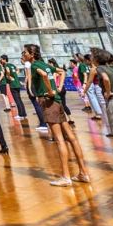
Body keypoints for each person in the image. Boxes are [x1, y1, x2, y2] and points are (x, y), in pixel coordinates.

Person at [22, 43, 90, 187]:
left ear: (31, 55)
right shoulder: (45, 64)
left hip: (48, 101)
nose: (23, 55)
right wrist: (58, 87)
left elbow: (44, 75)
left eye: (25, 53)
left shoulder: (34, 66)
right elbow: (61, 71)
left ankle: (65, 176)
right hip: (58, 102)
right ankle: (83, 173)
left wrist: (50, 91)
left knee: (59, 140)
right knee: (71, 137)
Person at [0, 54, 27, 120]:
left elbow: (8, 71)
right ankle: (24, 114)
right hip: (17, 83)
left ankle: (21, 115)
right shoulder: (11, 65)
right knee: (19, 99)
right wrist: (15, 75)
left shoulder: (6, 66)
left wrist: (9, 76)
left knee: (17, 100)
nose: (0, 60)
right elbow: (17, 69)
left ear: (4, 59)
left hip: (13, 85)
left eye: (1, 59)